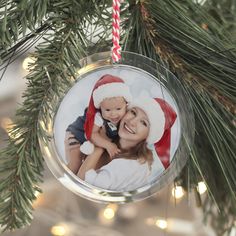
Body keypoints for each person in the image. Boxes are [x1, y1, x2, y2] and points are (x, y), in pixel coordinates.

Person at [78, 96, 177, 191]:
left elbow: (83, 186)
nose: (132, 122)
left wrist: (100, 145)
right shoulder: (112, 140)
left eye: (144, 123)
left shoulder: (134, 165)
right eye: (133, 112)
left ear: (149, 134)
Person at [65, 74, 132, 174]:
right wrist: (108, 145)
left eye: (118, 109)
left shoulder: (128, 115)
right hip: (77, 133)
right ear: (100, 107)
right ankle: (69, 182)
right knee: (75, 163)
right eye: (108, 110)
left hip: (92, 140)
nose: (113, 114)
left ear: (126, 105)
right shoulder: (98, 117)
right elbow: (93, 134)